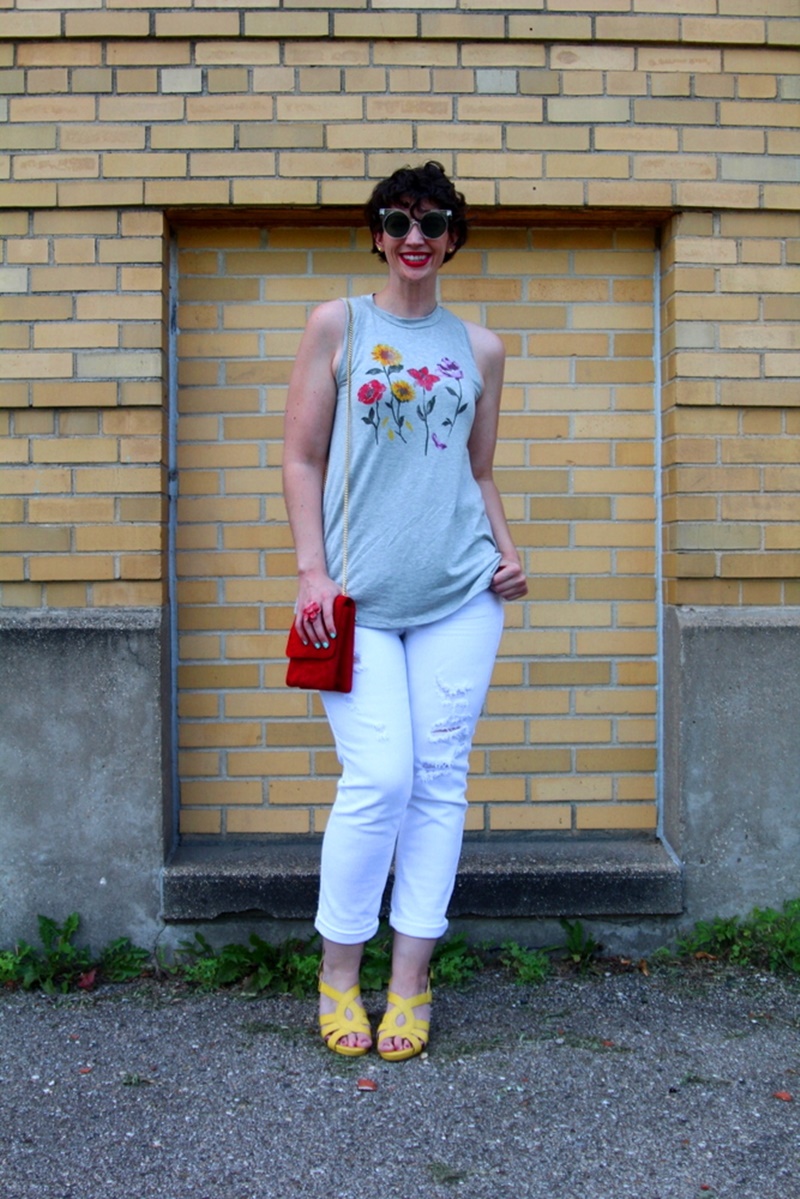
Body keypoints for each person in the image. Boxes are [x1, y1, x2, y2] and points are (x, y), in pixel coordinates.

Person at [282, 161, 527, 1060]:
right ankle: (338, 971)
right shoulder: (338, 325)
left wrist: (508, 549)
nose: (414, 237)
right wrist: (312, 573)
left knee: (438, 781)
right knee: (380, 779)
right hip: (357, 601)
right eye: (397, 221)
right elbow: (302, 458)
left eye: (432, 222)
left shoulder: (481, 348)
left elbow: (477, 470)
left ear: (453, 237)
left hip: (462, 596)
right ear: (378, 235)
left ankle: (410, 980)